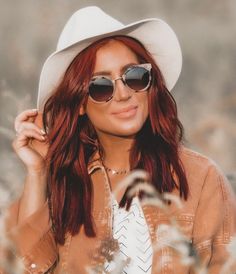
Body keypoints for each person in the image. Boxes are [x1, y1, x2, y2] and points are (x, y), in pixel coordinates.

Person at [3, 6, 236, 274]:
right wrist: (38, 172)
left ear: (150, 83)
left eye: (134, 77)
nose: (124, 94)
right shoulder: (65, 186)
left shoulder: (201, 178)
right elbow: (19, 268)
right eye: (101, 86)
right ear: (79, 103)